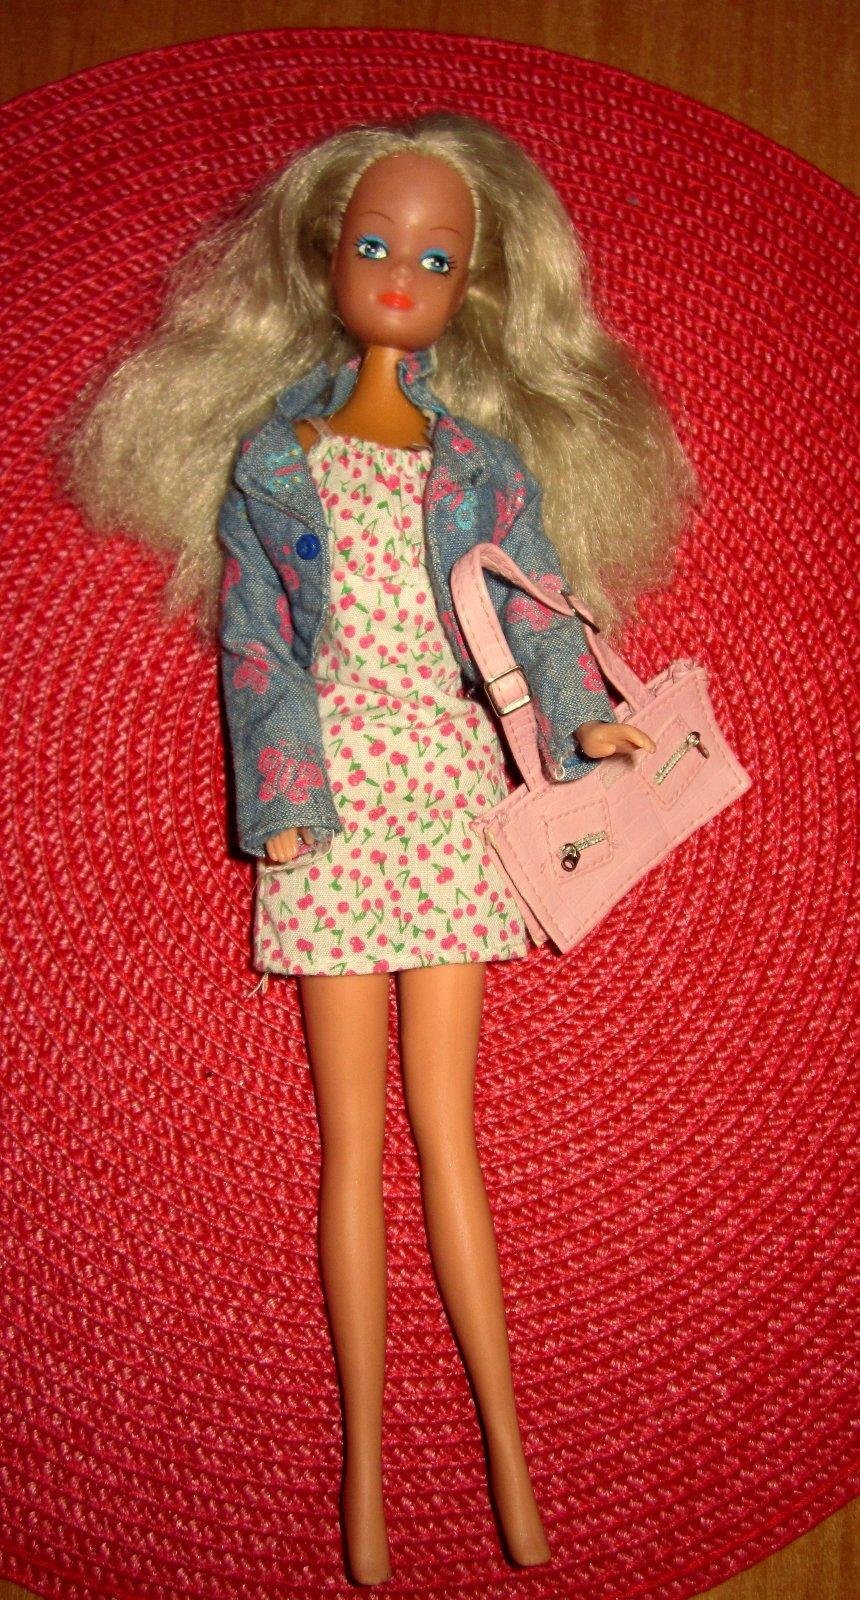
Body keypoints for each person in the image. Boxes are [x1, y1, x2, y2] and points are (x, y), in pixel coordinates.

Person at [65, 112, 693, 1585]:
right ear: (323, 257)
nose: (401, 277)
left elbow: (534, 606)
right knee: (351, 1142)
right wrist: (281, 800)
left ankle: (509, 1455)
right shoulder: (276, 462)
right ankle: (363, 1470)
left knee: (446, 1133)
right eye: (373, 245)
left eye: (435, 258)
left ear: (474, 284)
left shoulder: (482, 465)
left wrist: (583, 719)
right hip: (334, 805)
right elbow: (257, 647)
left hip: (450, 795)